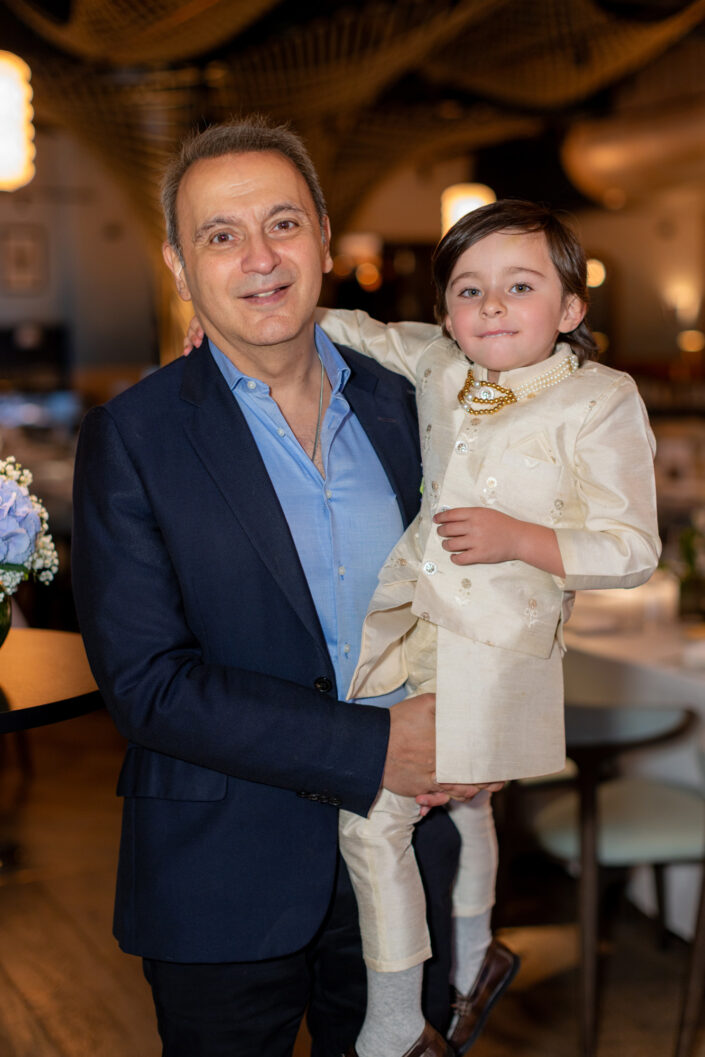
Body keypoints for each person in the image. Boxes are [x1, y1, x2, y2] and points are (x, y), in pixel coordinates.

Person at [70, 117, 483, 1057]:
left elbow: (485, 581)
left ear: (324, 238)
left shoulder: (416, 401)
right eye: (220, 235)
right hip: (222, 873)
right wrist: (375, 746)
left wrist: (490, 717)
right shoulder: (132, 438)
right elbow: (146, 684)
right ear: (180, 266)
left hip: (413, 854)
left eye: (283, 223)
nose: (259, 257)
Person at [315, 200, 660, 1057]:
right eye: (469, 289)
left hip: (501, 650)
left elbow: (631, 547)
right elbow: (358, 331)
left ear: (570, 307)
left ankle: (395, 1023)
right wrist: (241, 325)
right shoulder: (439, 360)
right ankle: (473, 962)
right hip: (414, 622)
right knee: (466, 804)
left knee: (375, 816)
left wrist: (520, 539)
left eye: (519, 286)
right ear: (445, 311)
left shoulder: (599, 399)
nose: (492, 305)